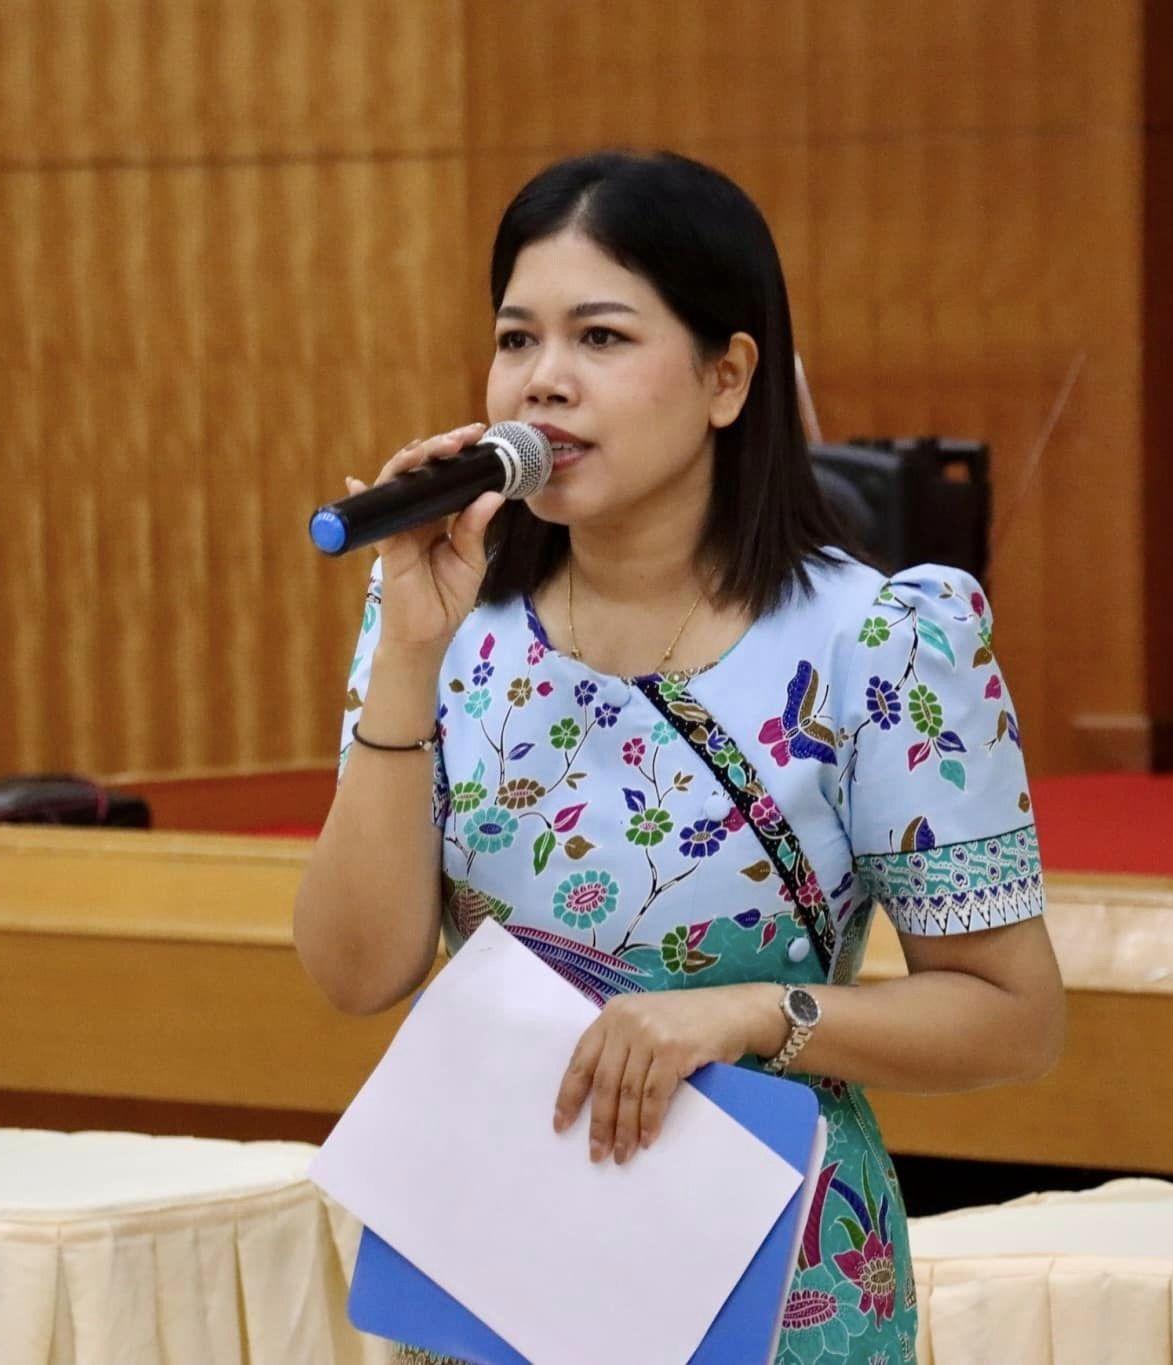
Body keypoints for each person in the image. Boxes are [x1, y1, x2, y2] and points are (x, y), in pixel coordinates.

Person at [294, 149, 1066, 1365]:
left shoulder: (876, 643)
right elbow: (354, 974)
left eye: (600, 337)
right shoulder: (446, 629)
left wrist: (750, 1015)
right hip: (495, 1274)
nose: (543, 380)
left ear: (727, 377)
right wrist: (406, 657)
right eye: (516, 339)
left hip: (766, 1285)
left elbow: (1014, 1020)